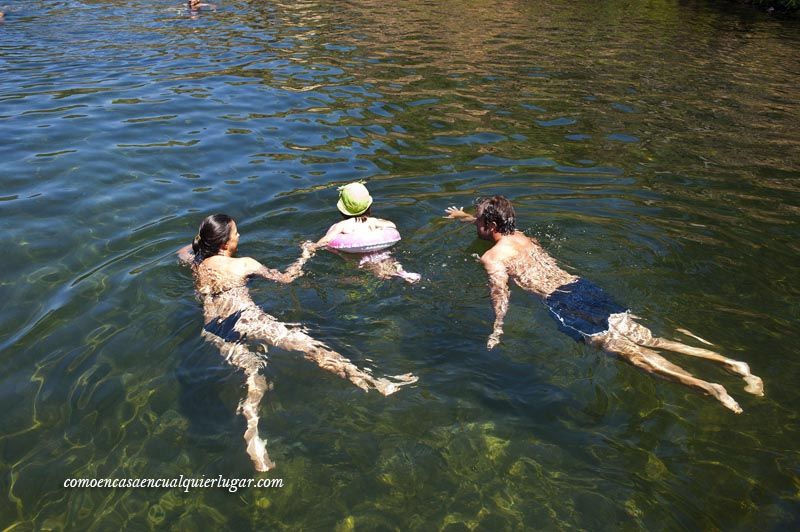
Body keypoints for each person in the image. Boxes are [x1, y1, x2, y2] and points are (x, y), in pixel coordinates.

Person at [444, 196, 764, 414]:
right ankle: (733, 364)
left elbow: (501, 295)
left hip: (563, 303)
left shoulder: (492, 257)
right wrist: (463, 217)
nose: (475, 227)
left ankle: (709, 388)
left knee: (634, 357)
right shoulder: (523, 237)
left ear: (489, 226)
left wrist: (497, 328)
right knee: (648, 338)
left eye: (477, 223)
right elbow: (492, 224)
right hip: (582, 286)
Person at [178, 214, 417, 471]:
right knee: (313, 348)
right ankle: (375, 382)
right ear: (225, 244)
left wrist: (202, 243)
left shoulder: (196, 262)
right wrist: (305, 254)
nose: (239, 237)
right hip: (246, 319)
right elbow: (286, 279)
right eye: (236, 234)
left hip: (213, 328)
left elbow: (184, 251)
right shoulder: (244, 264)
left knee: (254, 378)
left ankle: (254, 439)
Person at [313, 182, 420, 283]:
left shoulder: (341, 225)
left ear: (342, 210)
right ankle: (403, 274)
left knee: (368, 266)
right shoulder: (373, 221)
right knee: (387, 261)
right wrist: (379, 225)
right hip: (380, 250)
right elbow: (392, 225)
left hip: (355, 255)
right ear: (369, 206)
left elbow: (327, 240)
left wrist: (311, 247)